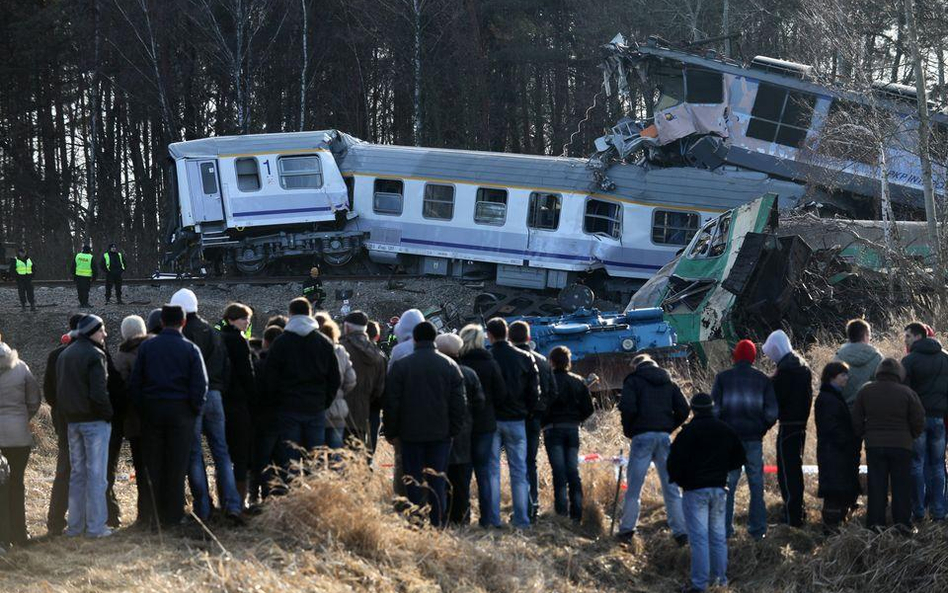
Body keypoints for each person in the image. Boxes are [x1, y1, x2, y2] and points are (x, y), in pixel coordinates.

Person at [129, 305, 208, 529]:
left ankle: (153, 516)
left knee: (153, 465)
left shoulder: (147, 348)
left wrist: (143, 408)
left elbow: (136, 383)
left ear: (162, 322)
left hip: (152, 412)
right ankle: (173, 517)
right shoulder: (191, 349)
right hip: (181, 414)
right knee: (177, 465)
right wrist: (193, 411)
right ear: (183, 323)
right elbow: (200, 385)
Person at [169, 288, 242, 522]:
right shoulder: (213, 332)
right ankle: (232, 504)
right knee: (221, 452)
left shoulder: (181, 335)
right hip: (216, 396)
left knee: (194, 453)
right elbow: (226, 367)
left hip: (191, 398)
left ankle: (203, 507)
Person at [384, 321, 466, 527]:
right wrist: (453, 430)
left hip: (410, 433)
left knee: (413, 479)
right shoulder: (450, 366)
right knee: (437, 480)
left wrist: (391, 431)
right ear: (434, 339)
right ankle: (437, 522)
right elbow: (459, 404)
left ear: (415, 338)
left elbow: (391, 403)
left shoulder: (402, 365)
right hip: (441, 434)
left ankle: (416, 521)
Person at [667, 393, 746, 593]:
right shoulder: (726, 430)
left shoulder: (688, 433)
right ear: (712, 408)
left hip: (695, 491)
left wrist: (683, 481)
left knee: (699, 539)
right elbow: (739, 458)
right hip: (719, 489)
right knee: (718, 537)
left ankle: (699, 585)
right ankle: (720, 581)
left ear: (693, 409)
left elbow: (673, 463)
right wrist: (723, 472)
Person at [617, 353, 689, 543]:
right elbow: (684, 409)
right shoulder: (668, 382)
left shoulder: (633, 381)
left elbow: (627, 408)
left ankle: (627, 530)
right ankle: (681, 532)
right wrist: (668, 427)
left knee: (634, 487)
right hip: (664, 438)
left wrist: (630, 430)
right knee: (671, 488)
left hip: (642, 437)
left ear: (637, 366)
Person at [266, 297, 340, 478]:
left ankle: (292, 497)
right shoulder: (323, 342)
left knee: (290, 460)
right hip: (315, 408)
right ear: (310, 314)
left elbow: (270, 378)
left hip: (288, 408)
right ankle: (313, 497)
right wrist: (324, 401)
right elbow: (334, 378)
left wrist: (277, 402)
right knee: (315, 459)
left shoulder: (281, 342)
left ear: (290, 314)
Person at [711, 339, 777, 540]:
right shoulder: (762, 380)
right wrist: (761, 429)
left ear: (735, 356)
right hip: (753, 440)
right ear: (753, 357)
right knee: (756, 485)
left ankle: (725, 531)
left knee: (728, 486)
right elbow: (772, 412)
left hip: (729, 442)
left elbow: (714, 410)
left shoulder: (723, 379)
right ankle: (758, 530)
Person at [852, 358, 925, 530]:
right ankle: (902, 523)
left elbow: (856, 418)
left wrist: (865, 434)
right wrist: (911, 436)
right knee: (901, 486)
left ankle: (875, 524)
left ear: (878, 372)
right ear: (899, 374)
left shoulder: (866, 391)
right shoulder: (907, 392)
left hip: (874, 445)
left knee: (876, 485)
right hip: (902, 446)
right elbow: (919, 419)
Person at [56, 314, 113, 538]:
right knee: (97, 476)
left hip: (72, 423)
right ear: (91, 332)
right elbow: (99, 393)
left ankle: (75, 527)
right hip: (94, 422)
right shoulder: (95, 355)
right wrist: (108, 414)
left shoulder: (65, 354)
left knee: (77, 475)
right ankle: (97, 527)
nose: (105, 334)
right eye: (101, 330)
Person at [485, 317, 539, 528]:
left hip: (492, 421)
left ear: (489, 335)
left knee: (492, 470)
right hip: (517, 420)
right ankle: (522, 519)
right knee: (519, 471)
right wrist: (528, 413)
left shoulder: (488, 358)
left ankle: (493, 518)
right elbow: (535, 392)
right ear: (506, 332)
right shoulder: (525, 357)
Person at [761, 329, 812, 528]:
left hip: (788, 425)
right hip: (800, 425)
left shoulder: (785, 372)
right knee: (793, 470)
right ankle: (797, 510)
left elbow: (776, 400)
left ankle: (793, 515)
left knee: (787, 472)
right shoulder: (802, 366)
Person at [435, 332, 484, 526]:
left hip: (438, 432)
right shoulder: (469, 373)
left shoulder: (435, 372)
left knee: (440, 478)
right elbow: (480, 403)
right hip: (465, 433)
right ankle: (462, 518)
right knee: (462, 480)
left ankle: (442, 517)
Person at [900, 321, 948, 522]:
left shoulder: (909, 361)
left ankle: (918, 511)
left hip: (917, 420)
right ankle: (939, 511)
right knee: (938, 465)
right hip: (939, 418)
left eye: (908, 336)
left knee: (916, 464)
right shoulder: (945, 358)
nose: (906, 340)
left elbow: (904, 392)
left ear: (919, 336)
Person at [458, 324, 505, 528]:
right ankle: (489, 518)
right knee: (484, 473)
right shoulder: (490, 363)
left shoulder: (456, 364)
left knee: (463, 474)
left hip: (462, 425)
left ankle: (463, 516)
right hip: (485, 425)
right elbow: (501, 394)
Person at [509, 320, 556, 523]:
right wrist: (541, 414)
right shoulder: (542, 361)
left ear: (510, 338)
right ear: (529, 338)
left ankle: (519, 507)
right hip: (535, 418)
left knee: (514, 465)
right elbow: (552, 392)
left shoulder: (506, 359)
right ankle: (533, 505)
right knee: (531, 462)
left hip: (510, 417)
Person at [43, 313, 84, 535]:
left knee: (64, 471)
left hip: (64, 421)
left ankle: (55, 521)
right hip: (86, 422)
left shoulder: (55, 355)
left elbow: (48, 392)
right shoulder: (93, 352)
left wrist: (59, 409)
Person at [543, 346, 593, 521]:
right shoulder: (578, 381)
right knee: (573, 471)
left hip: (552, 429)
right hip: (572, 429)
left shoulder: (547, 382)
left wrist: (544, 422)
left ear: (552, 361)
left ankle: (561, 513)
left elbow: (541, 406)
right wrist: (576, 419)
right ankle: (577, 513)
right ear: (568, 362)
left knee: (559, 472)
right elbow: (589, 408)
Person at [0, 340, 41, 548]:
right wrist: (23, 418)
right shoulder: (21, 367)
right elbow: (34, 399)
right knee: (17, 483)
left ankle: (3, 536)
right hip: (18, 437)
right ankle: (20, 533)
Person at [112, 315, 151, 526]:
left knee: (141, 468)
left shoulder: (122, 356)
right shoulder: (154, 350)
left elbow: (119, 390)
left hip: (135, 422)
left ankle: (144, 515)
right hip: (157, 419)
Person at [814, 361, 860, 533]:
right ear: (833, 377)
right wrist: (849, 440)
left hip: (834, 452)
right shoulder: (829, 399)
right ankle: (831, 528)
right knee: (834, 493)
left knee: (836, 491)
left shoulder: (829, 396)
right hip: (833, 453)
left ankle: (834, 526)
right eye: (843, 375)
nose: (846, 378)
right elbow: (831, 427)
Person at [219, 303, 257, 508]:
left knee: (222, 453)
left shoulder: (218, 338)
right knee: (241, 454)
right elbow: (247, 374)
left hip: (222, 402)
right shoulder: (239, 342)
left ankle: (223, 498)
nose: (247, 321)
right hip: (239, 404)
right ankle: (238, 504)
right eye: (243, 318)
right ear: (232, 319)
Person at [339, 311, 387, 451]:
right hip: (365, 414)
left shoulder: (340, 348)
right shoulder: (378, 355)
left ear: (347, 328)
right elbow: (380, 390)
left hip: (341, 414)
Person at [250, 325, 283, 504]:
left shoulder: (260, 364)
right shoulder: (287, 365)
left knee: (261, 461)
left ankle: (258, 497)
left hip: (264, 419)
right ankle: (277, 498)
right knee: (281, 462)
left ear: (265, 342)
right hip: (284, 419)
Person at [321, 319, 357, 449]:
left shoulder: (311, 349)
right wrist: (340, 393)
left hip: (315, 408)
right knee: (336, 453)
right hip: (337, 408)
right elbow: (351, 380)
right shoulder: (340, 351)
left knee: (315, 453)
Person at [834, 319, 882, 408]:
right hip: (868, 411)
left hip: (843, 410)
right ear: (865, 336)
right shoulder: (877, 357)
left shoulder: (838, 356)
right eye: (869, 335)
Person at [9, 247, 35, 312]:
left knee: (30, 292)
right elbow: (12, 270)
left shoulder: (29, 259)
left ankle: (32, 305)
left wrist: (32, 275)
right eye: (22, 252)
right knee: (21, 293)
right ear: (19, 253)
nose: (23, 254)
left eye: (24, 252)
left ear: (25, 252)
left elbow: (34, 267)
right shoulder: (15, 260)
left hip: (28, 278)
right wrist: (16, 277)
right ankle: (23, 306)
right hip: (20, 279)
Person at [72, 243, 96, 308]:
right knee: (85, 290)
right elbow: (94, 268)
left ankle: (81, 303)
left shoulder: (78, 256)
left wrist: (73, 275)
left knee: (79, 290)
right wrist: (94, 278)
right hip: (87, 277)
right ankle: (85, 303)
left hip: (78, 276)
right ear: (89, 250)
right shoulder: (90, 257)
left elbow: (73, 266)